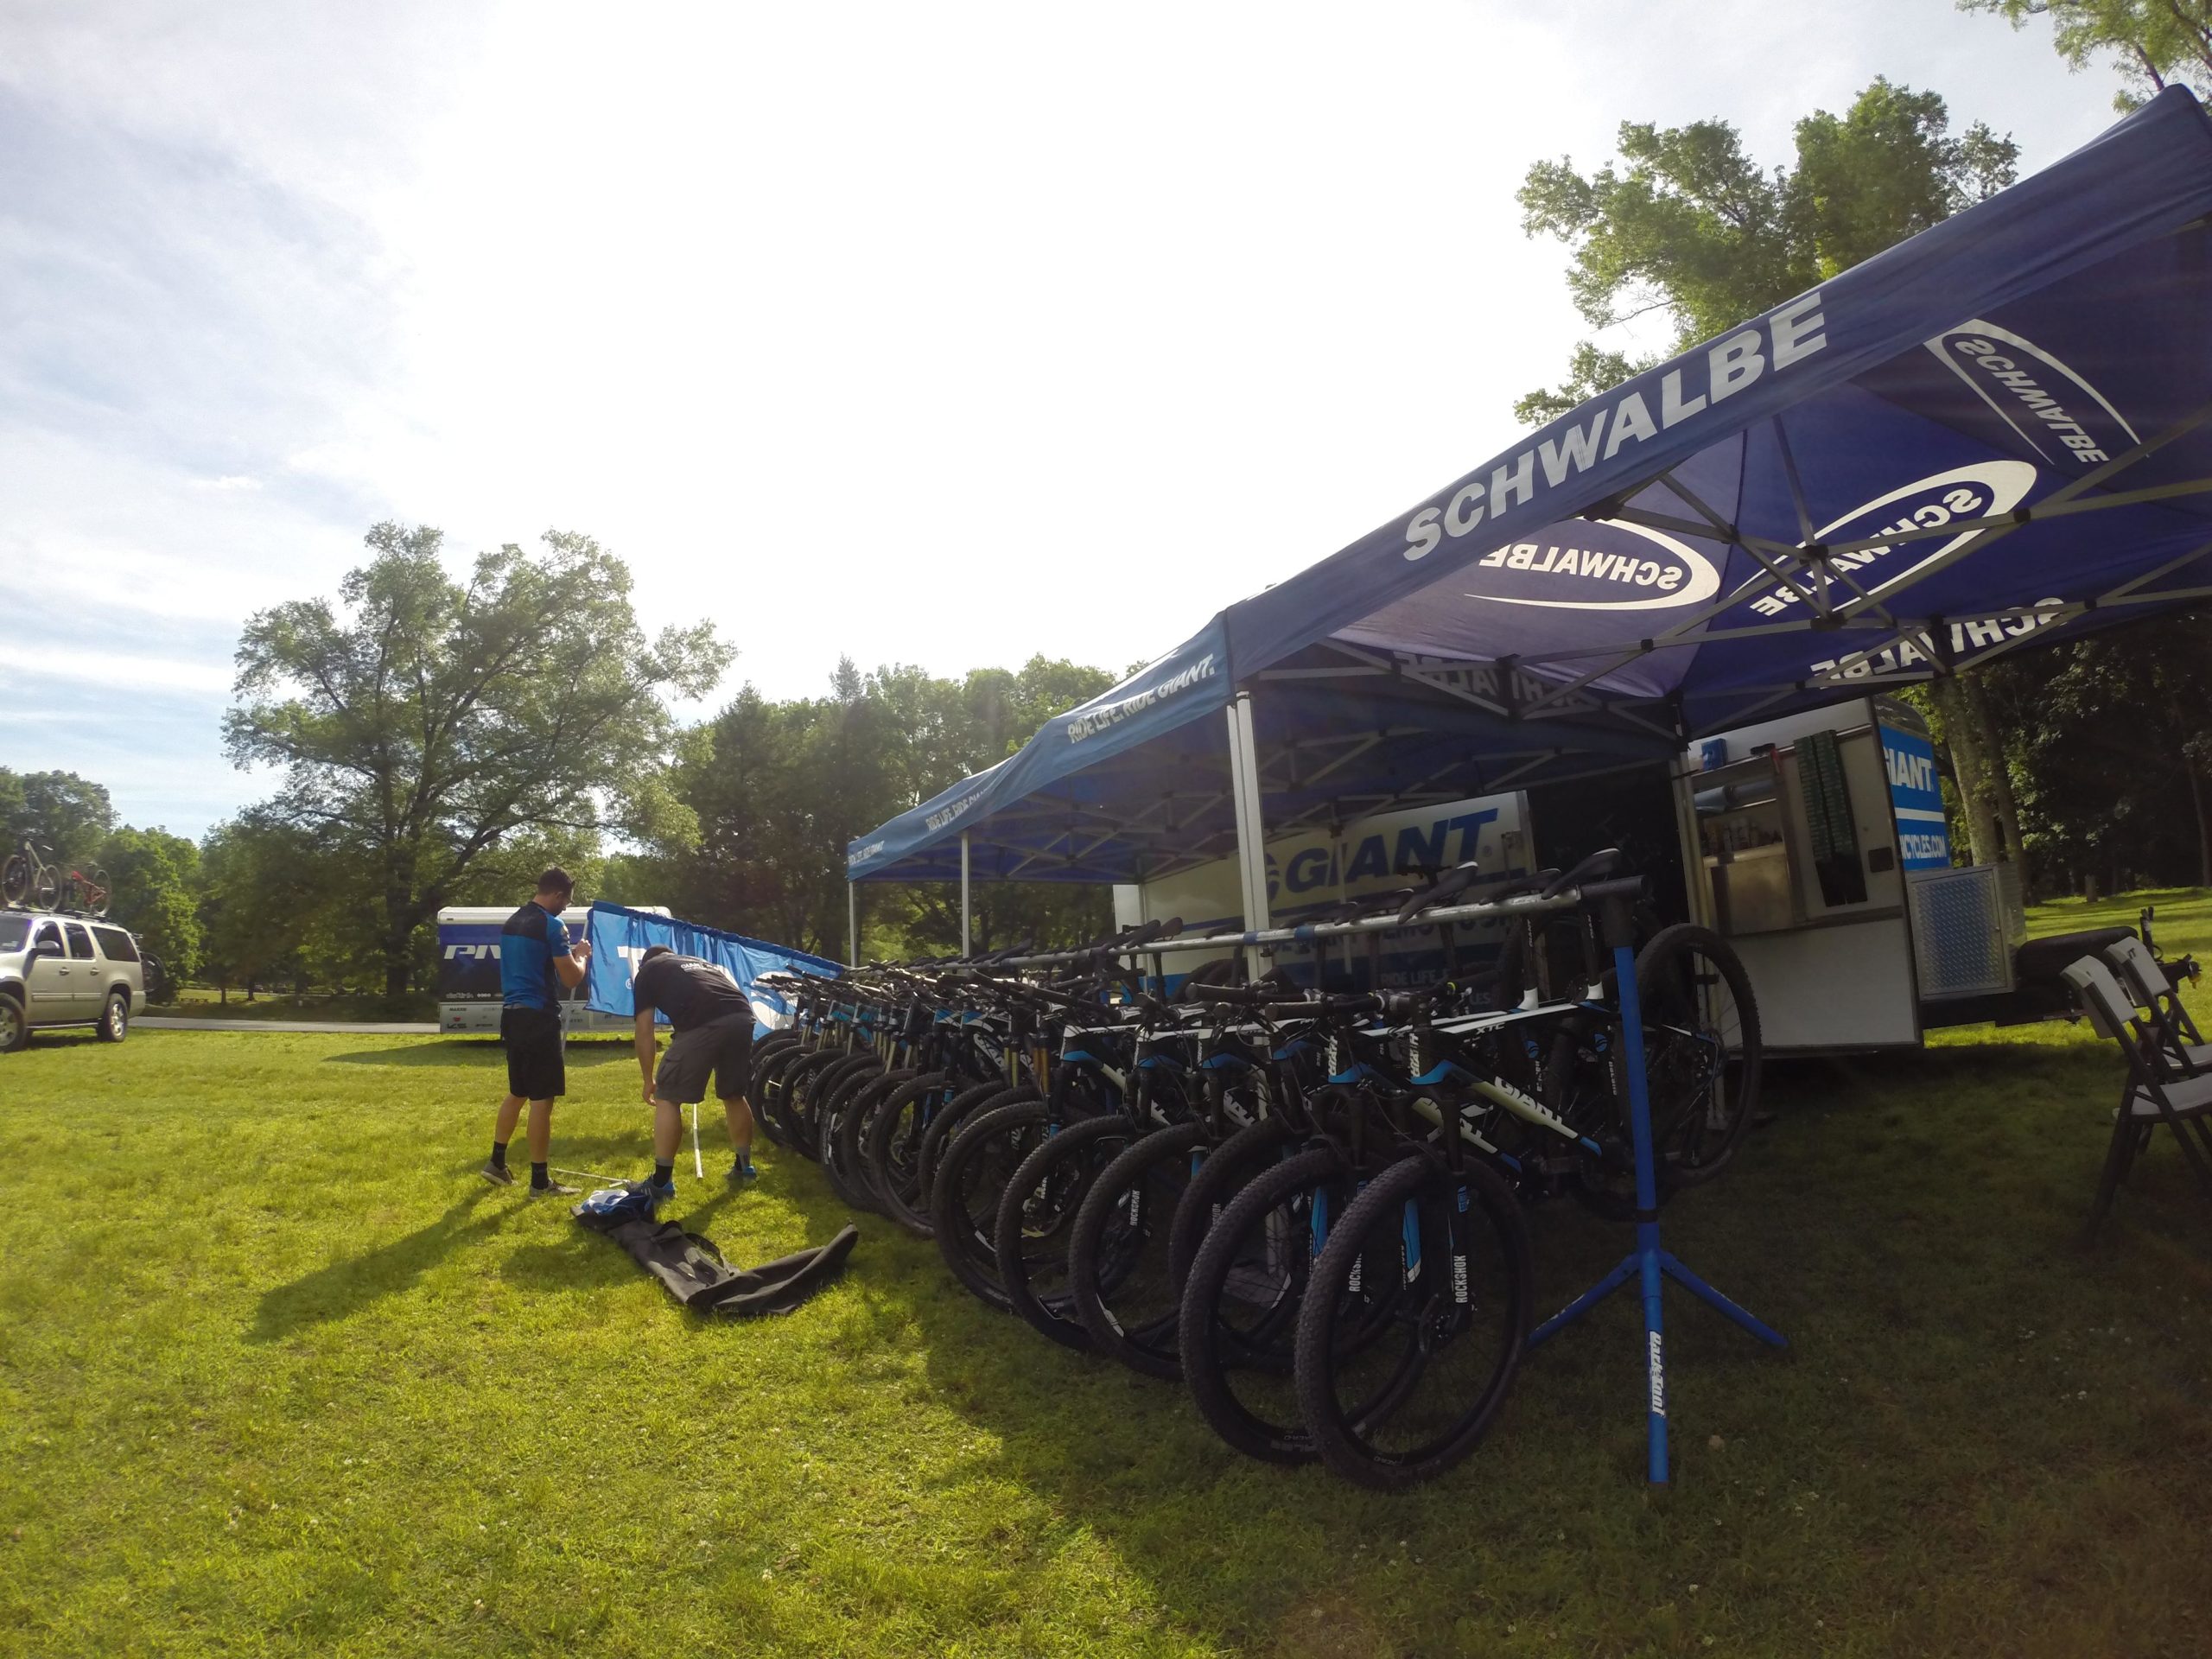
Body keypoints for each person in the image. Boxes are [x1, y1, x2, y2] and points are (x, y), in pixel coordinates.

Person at [480, 868, 592, 1195]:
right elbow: (571, 978)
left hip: (512, 1017)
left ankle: (497, 1163)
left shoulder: (513, 921)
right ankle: (540, 1182)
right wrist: (581, 956)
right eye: (567, 902)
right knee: (542, 1100)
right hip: (539, 1018)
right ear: (557, 895)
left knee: (518, 1091)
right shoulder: (552, 925)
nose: (566, 908)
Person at [630, 944, 759, 1199]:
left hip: (704, 1023)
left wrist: (648, 1080)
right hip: (742, 1017)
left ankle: (661, 1182)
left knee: (667, 1096)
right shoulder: (696, 961)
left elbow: (645, 1030)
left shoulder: (647, 971)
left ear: (646, 963)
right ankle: (745, 1167)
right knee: (734, 1093)